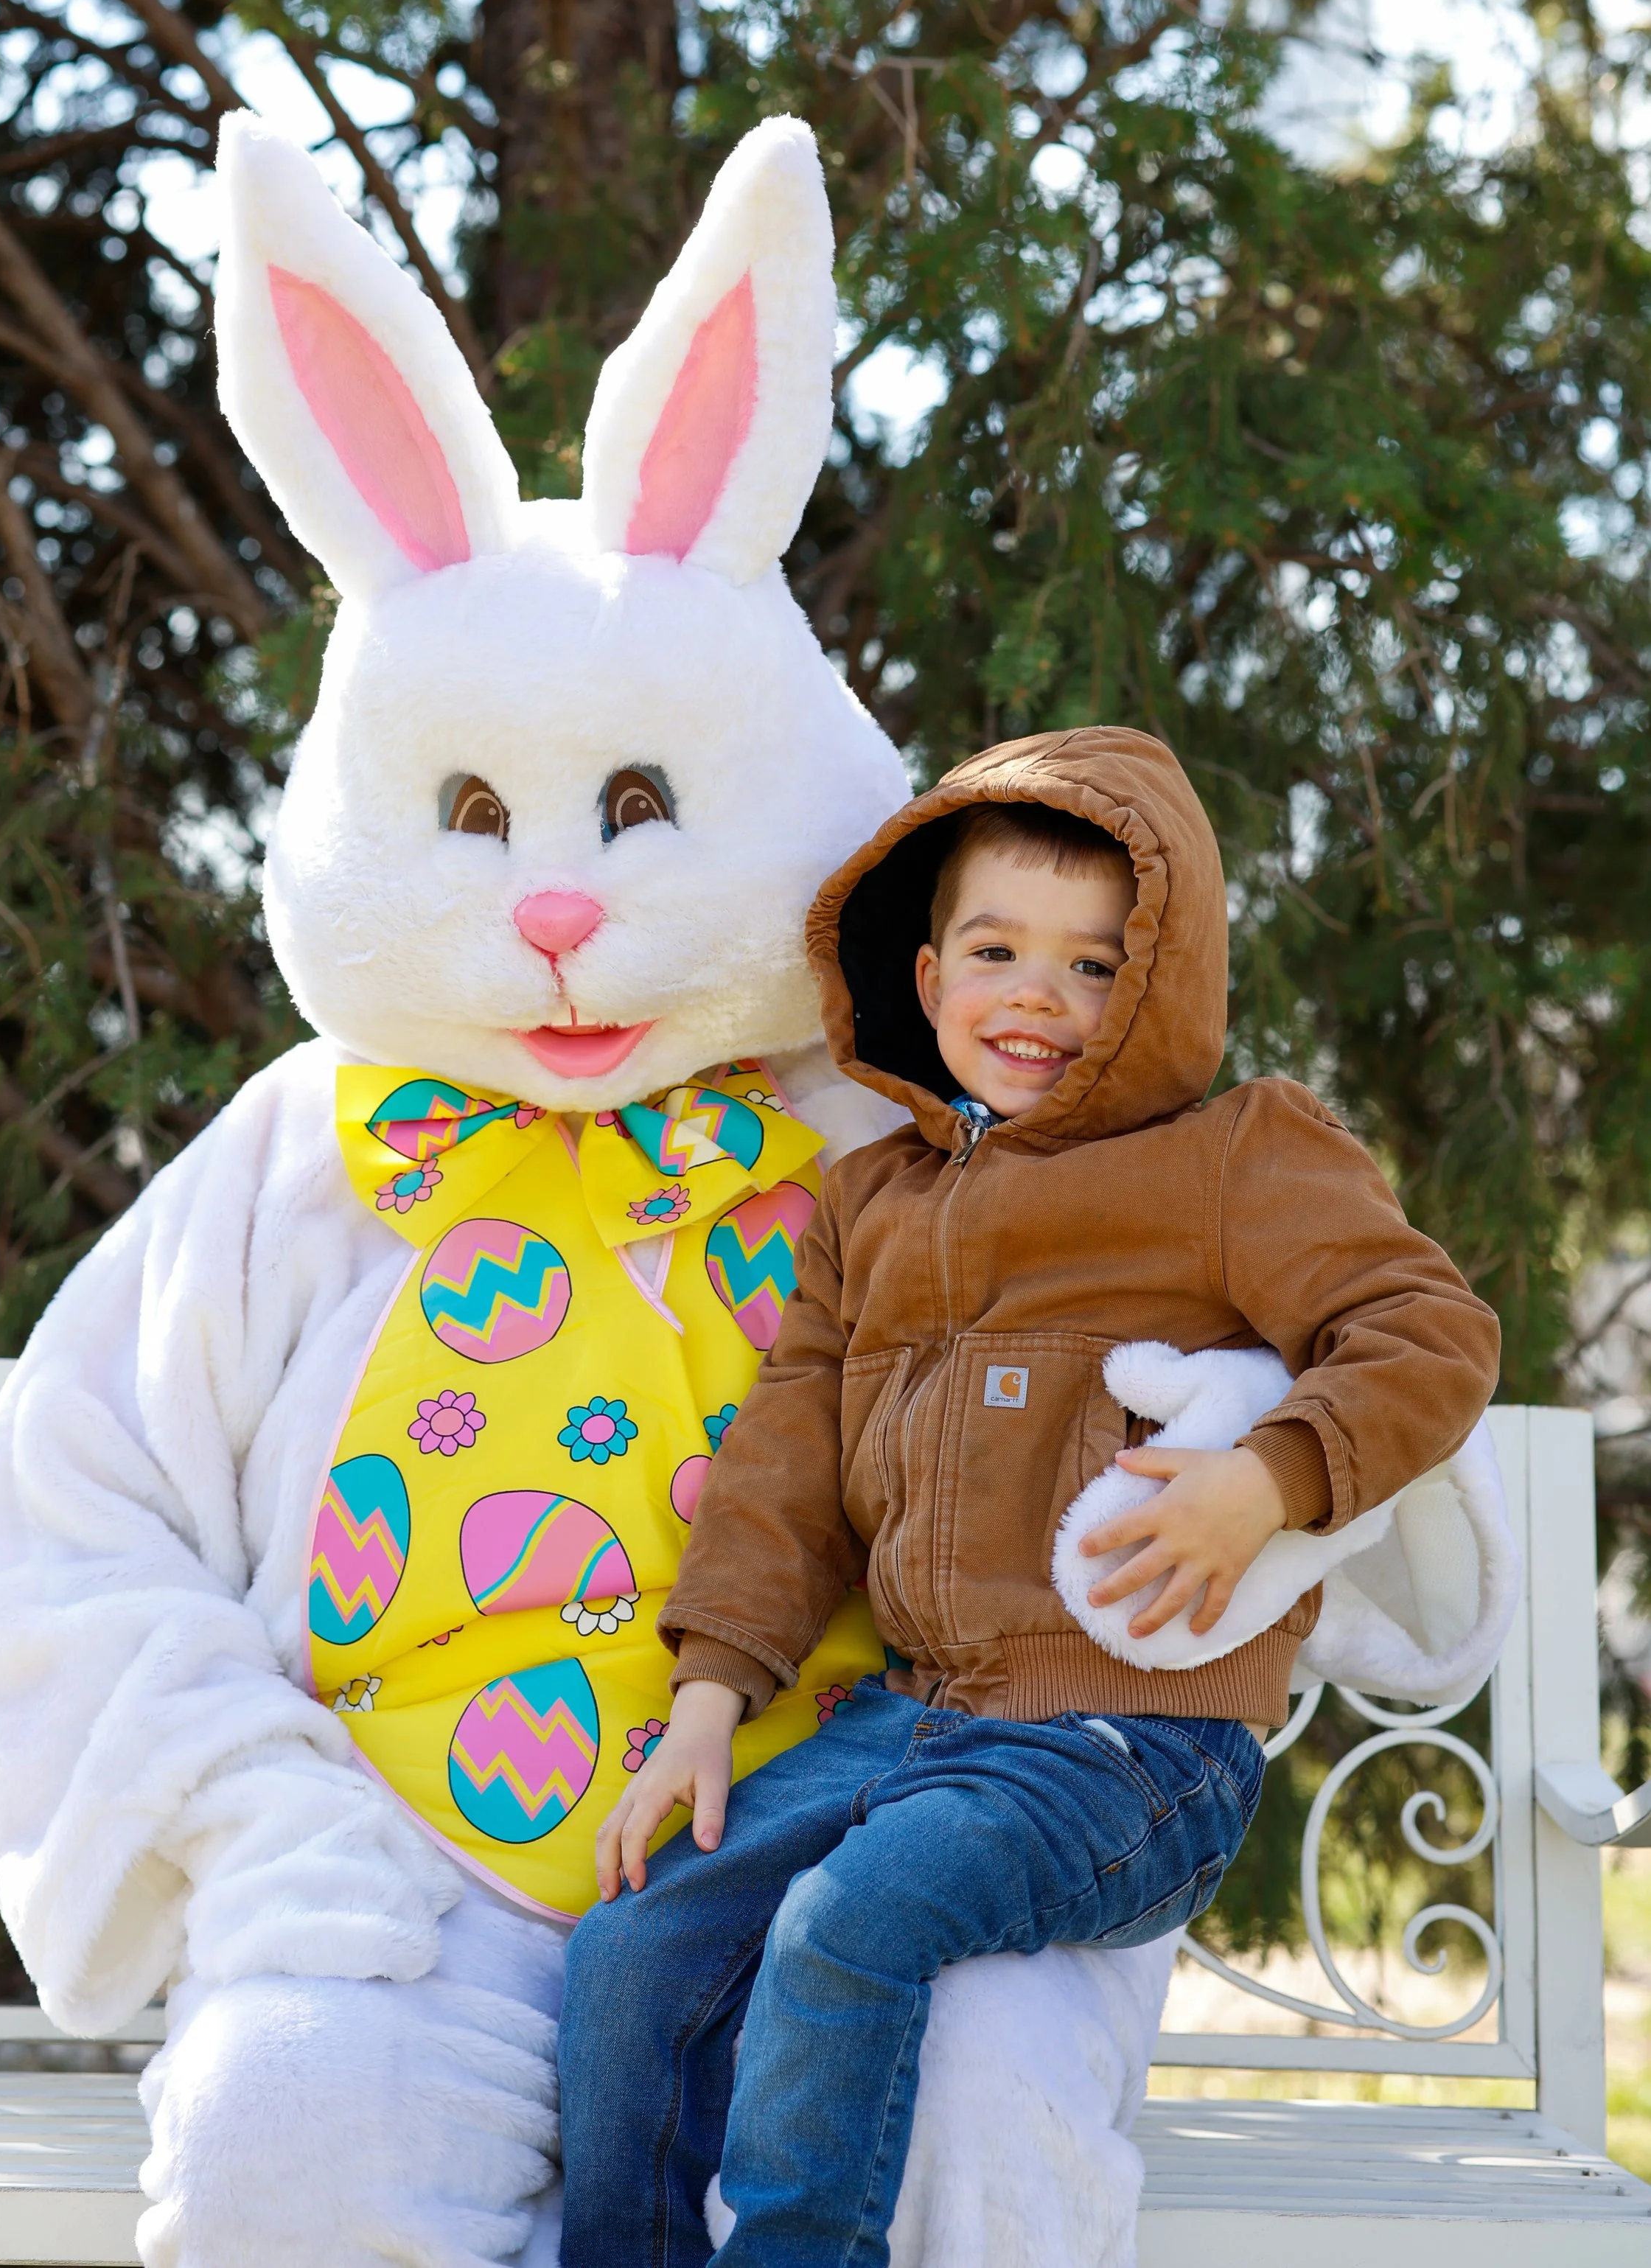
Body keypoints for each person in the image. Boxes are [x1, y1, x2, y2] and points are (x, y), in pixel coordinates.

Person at [554, 725, 1502, 2268]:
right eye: (996, 952)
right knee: (636, 1945)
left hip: (1129, 1748)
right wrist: (712, 1694)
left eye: (1093, 967)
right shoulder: (870, 1204)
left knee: (846, 1924)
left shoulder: (1228, 1155)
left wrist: (1265, 1484)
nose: (1038, 1002)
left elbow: (1426, 1332)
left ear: (1160, 984)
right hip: (908, 1725)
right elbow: (789, 1454)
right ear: (924, 983)